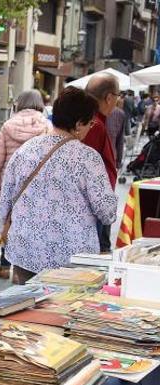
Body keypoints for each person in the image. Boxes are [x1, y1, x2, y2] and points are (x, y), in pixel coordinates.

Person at [0, 87, 117, 284]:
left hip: (26, 251)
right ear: (79, 124)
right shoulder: (87, 158)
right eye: (90, 123)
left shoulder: (26, 149)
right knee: (64, 312)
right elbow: (107, 213)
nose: (90, 128)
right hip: (72, 258)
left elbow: (5, 201)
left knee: (27, 309)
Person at [0, 89, 51, 280]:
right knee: (32, 227)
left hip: (12, 182)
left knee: (10, 223)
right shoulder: (47, 126)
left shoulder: (8, 125)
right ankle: (23, 269)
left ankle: (4, 265)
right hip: (37, 184)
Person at [83, 73, 121, 253]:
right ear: (108, 97)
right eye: (117, 95)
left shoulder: (93, 121)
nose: (117, 101)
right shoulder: (94, 124)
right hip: (93, 204)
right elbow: (87, 169)